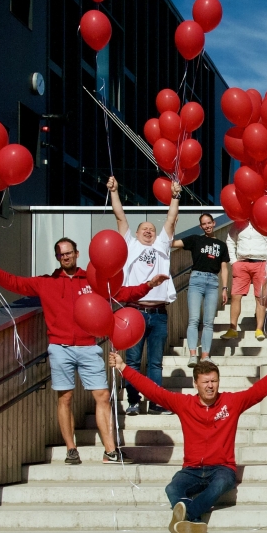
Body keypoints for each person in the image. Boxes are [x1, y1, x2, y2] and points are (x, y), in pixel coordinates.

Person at [0, 240, 168, 464]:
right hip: (60, 348)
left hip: (89, 346)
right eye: (61, 255)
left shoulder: (92, 280)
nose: (66, 257)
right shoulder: (46, 282)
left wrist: (149, 285)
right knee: (65, 398)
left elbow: (122, 293)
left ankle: (110, 451)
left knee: (103, 396)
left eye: (69, 253)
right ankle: (71, 449)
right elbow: (14, 283)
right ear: (57, 258)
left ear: (77, 254)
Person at [108, 349, 267, 533]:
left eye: (214, 381)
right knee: (172, 488)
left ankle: (188, 515)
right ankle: (194, 522)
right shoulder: (184, 404)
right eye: (205, 382)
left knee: (220, 484)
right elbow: (153, 391)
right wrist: (123, 367)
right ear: (195, 384)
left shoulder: (231, 403)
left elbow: (260, 389)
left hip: (221, 468)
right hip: (192, 469)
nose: (210, 386)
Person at [108, 176, 179, 416]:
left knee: (156, 362)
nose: (148, 232)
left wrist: (175, 196)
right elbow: (120, 217)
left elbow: (171, 219)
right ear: (136, 234)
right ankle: (133, 402)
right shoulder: (129, 245)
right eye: (144, 229)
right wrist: (115, 192)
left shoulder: (162, 246)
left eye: (151, 229)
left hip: (159, 313)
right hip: (134, 311)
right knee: (134, 361)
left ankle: (157, 402)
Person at [172, 213, 230, 368]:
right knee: (194, 319)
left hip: (213, 281)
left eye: (209, 223)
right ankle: (192, 355)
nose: (207, 226)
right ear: (201, 226)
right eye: (204, 224)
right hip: (196, 279)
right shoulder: (195, 239)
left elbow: (224, 268)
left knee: (209, 322)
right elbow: (173, 243)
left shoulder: (221, 245)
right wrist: (172, 224)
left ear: (214, 223)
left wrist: (225, 288)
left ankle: (205, 355)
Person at [221, 220, 267, 342]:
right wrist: (234, 262)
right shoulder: (239, 222)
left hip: (262, 262)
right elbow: (231, 240)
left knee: (261, 297)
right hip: (242, 262)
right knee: (235, 295)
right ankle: (232, 328)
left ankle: (259, 329)